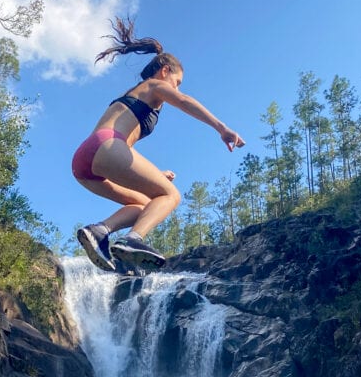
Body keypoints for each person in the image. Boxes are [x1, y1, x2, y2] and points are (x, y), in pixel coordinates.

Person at [72, 18, 245, 271]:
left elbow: (123, 146)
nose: (176, 88)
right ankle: (133, 240)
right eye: (177, 81)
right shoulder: (154, 85)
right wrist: (222, 128)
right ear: (165, 70)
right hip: (108, 145)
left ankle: (99, 231)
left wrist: (156, 173)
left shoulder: (134, 94)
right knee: (171, 195)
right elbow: (184, 101)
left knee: (143, 205)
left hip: (86, 159)